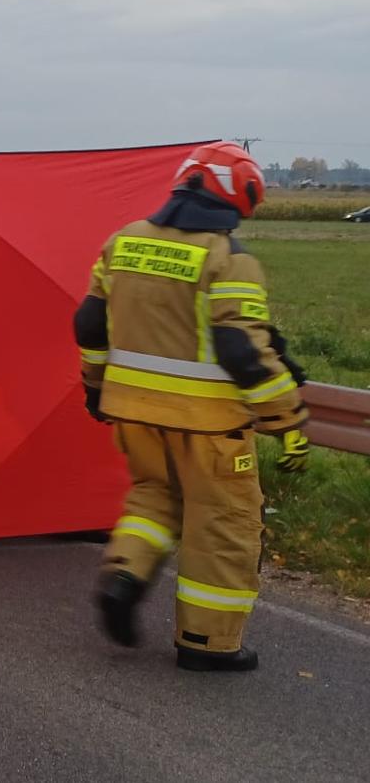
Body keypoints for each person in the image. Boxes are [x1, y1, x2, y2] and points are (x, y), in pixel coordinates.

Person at [77, 141, 310, 672]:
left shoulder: (124, 243)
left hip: (133, 413)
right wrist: (287, 420)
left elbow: (89, 325)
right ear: (238, 198)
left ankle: (123, 576)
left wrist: (95, 388)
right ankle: (208, 643)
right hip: (210, 427)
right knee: (222, 524)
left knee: (154, 499)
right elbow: (243, 352)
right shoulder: (229, 259)